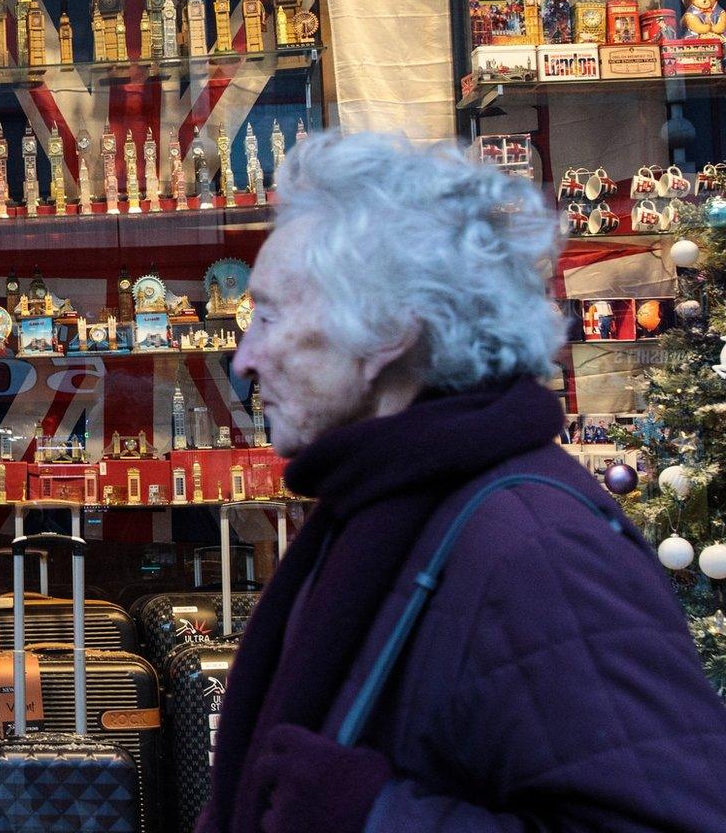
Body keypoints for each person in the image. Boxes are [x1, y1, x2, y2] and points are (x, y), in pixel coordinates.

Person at [206, 132, 726, 833]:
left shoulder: (534, 549)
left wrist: (368, 816)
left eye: (268, 316)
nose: (246, 359)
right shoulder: (380, 508)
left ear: (388, 330)